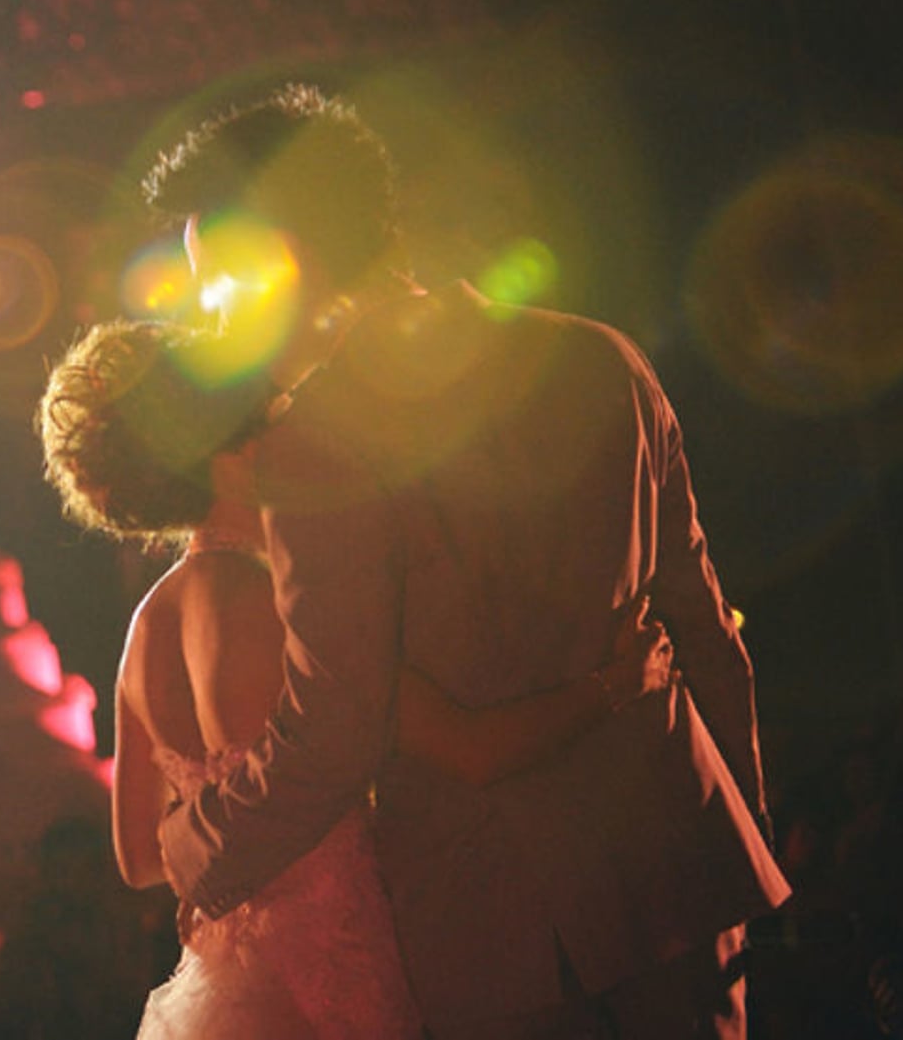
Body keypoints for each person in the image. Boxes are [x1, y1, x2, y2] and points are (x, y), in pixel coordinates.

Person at [140, 85, 789, 1038]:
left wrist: (197, 845)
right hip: (680, 869)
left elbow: (337, 724)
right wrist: (745, 828)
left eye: (218, 285)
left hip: (496, 921)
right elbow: (706, 629)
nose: (209, 316)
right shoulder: (603, 358)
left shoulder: (317, 446)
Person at [39, 319, 679, 1039]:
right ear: (227, 455)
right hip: (342, 982)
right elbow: (468, 749)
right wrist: (615, 684)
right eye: (265, 428)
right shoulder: (284, 603)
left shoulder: (146, 627)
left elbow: (137, 857)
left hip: (221, 999)